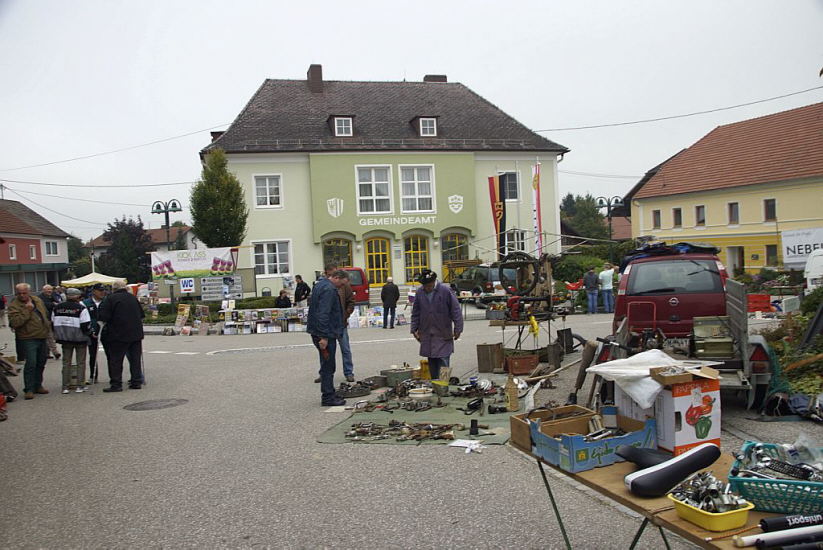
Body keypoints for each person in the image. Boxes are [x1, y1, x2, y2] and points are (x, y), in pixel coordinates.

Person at [306, 269, 350, 406]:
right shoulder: (329, 290)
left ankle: (330, 392)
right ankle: (328, 397)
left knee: (327, 364)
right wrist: (323, 336)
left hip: (318, 330)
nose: (341, 287)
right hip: (325, 333)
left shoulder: (320, 285)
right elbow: (323, 313)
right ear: (336, 278)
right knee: (328, 365)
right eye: (341, 284)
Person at [410, 269, 463, 380]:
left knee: (444, 361)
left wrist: (458, 329)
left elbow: (456, 310)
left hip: (443, 332)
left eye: (429, 285)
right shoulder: (420, 292)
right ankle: (435, 385)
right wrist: (414, 329)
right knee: (432, 361)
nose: (427, 288)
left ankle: (443, 386)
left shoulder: (445, 291)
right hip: (427, 332)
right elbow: (416, 312)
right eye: (425, 286)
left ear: (434, 282)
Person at [98, 280, 145, 392]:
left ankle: (116, 384)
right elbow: (141, 315)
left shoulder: (110, 299)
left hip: (118, 334)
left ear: (113, 288)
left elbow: (103, 317)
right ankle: (136, 381)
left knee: (116, 360)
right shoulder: (132, 298)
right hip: (135, 333)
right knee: (135, 359)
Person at [7, 283, 50, 399]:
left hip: (42, 335)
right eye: (19, 293)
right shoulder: (14, 305)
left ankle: (38, 385)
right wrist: (27, 310)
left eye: (24, 293)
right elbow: (15, 323)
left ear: (29, 292)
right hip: (28, 337)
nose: (22, 295)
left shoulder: (37, 300)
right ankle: (29, 389)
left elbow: (45, 314)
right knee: (31, 363)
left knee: (41, 362)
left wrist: (48, 327)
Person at [314, 263, 355, 383]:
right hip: (329, 325)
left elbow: (351, 301)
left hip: (341, 324)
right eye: (329, 274)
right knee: (325, 349)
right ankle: (324, 373)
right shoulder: (323, 286)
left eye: (333, 273)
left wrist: (345, 315)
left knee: (345, 349)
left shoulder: (344, 285)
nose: (331, 276)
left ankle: (349, 372)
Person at [52, 288, 91, 394]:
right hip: (79, 338)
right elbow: (85, 325)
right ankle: (80, 385)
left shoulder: (57, 307)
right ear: (77, 297)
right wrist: (89, 334)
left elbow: (53, 322)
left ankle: (65, 386)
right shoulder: (81, 308)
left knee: (66, 362)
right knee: (80, 363)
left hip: (64, 338)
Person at [82, 283, 107, 384]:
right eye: (100, 290)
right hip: (92, 332)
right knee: (93, 355)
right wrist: (90, 330)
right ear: (94, 292)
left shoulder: (107, 301)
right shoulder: (85, 303)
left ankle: (114, 376)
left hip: (105, 331)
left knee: (110, 354)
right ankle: (93, 375)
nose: (102, 292)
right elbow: (85, 318)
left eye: (103, 290)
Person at [37, 284, 61, 359]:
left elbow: (58, 304)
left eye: (50, 289)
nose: (49, 291)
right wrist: (53, 304)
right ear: (43, 290)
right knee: (49, 336)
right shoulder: (40, 298)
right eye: (48, 289)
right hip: (45, 320)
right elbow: (43, 306)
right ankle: (55, 352)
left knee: (49, 337)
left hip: (53, 319)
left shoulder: (53, 296)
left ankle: (46, 353)